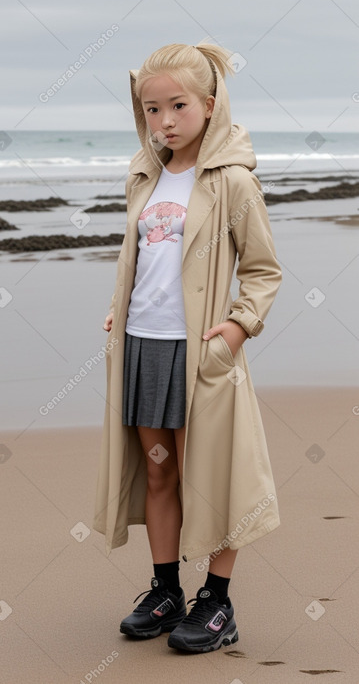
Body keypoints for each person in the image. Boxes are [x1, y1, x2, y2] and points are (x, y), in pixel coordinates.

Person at [93, 41, 282, 654]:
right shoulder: (143, 173)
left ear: (209, 103)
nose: (164, 121)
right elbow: (143, 258)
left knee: (213, 476)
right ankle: (167, 589)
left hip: (201, 351)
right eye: (151, 109)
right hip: (143, 346)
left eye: (177, 106)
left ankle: (218, 603)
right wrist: (121, 307)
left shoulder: (232, 181)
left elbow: (262, 270)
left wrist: (237, 327)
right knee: (160, 472)